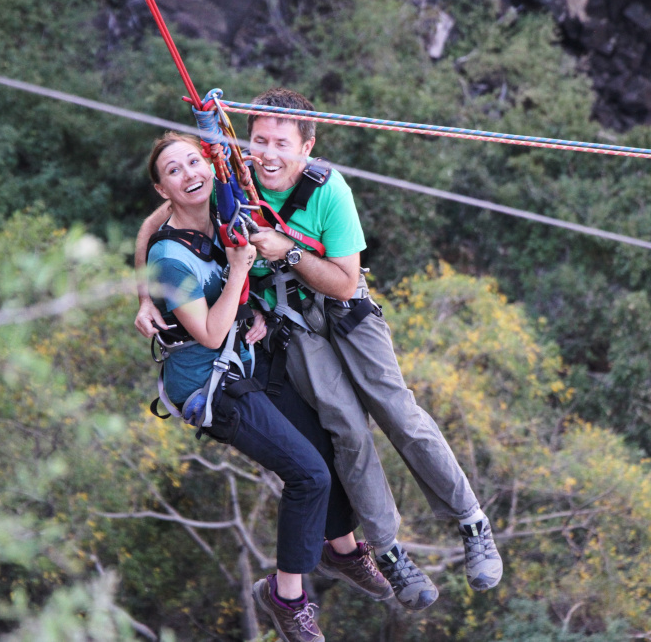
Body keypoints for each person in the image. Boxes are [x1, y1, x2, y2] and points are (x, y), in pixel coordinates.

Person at [135, 89, 502, 611]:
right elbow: (161, 219)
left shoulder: (328, 190)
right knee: (346, 430)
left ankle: (472, 522)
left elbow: (345, 283)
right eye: (259, 140)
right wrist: (144, 290)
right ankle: (390, 552)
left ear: (307, 147)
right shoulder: (234, 177)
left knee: (400, 414)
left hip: (344, 310)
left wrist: (288, 251)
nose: (267, 154)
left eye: (281, 143)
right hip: (292, 326)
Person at [141, 131, 389, 642]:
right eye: (174, 171)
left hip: (249, 359)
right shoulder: (168, 260)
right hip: (211, 383)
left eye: (194, 161)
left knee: (325, 441)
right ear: (163, 189)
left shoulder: (221, 213)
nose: (189, 174)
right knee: (308, 475)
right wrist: (233, 276)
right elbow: (209, 332)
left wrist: (250, 306)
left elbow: (155, 228)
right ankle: (286, 595)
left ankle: (341, 549)